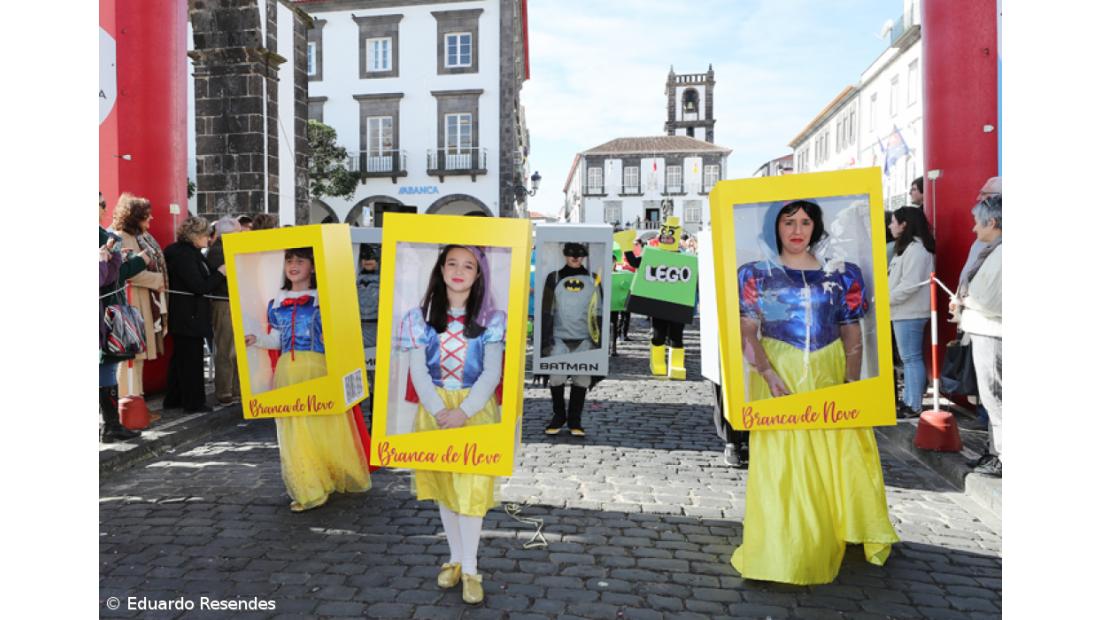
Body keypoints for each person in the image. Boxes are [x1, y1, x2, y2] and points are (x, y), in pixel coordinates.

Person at [732, 199, 898, 584]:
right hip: (778, 372)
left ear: (815, 227)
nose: (797, 229)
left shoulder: (842, 276)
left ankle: (836, 526)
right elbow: (745, 331)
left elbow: (851, 331)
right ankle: (785, 547)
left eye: (806, 221)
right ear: (774, 226)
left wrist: (851, 383)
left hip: (829, 369)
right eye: (788, 221)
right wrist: (768, 373)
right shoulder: (756, 274)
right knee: (785, 461)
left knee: (835, 455)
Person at [398, 245, 507, 605]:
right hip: (435, 412)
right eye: (452, 263)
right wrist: (438, 409)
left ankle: (472, 567)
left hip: (475, 412)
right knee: (446, 487)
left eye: (469, 265)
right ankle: (456, 558)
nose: (459, 271)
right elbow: (417, 370)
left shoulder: (492, 320)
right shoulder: (419, 319)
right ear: (441, 269)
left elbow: (492, 372)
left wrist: (465, 411)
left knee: (471, 492)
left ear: (479, 275)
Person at [244, 247, 373, 510]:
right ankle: (309, 488)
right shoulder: (276, 303)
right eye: (289, 261)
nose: (293, 265)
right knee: (295, 428)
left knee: (323, 425)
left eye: (300, 261)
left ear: (312, 267)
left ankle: (329, 474)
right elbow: (278, 339)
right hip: (288, 370)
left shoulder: (323, 299)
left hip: (317, 367)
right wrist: (256, 340)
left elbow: (340, 335)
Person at [951, 195, 1002, 477]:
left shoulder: (1001, 251)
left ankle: (1002, 456)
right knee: (992, 398)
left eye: (976, 223)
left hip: (993, 333)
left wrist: (966, 301)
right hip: (985, 331)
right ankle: (996, 453)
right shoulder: (992, 249)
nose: (973, 229)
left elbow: (991, 299)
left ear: (992, 222)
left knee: (995, 398)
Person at [109, 194, 169, 410]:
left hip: (141, 301)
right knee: (129, 358)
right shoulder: (120, 237)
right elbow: (126, 272)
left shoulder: (134, 236)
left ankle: (137, 402)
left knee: (138, 357)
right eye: (145, 216)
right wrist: (157, 280)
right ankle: (127, 405)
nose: (150, 219)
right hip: (130, 302)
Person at [100, 193, 149, 442]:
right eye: (101, 204)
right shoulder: (104, 236)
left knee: (107, 366)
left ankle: (111, 424)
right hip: (105, 308)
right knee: (107, 365)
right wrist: (133, 261)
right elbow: (109, 277)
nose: (103, 209)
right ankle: (110, 425)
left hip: (106, 307)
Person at [163, 216, 225, 413]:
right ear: (196, 235)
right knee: (191, 361)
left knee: (181, 360)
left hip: (187, 313)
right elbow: (199, 286)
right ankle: (193, 402)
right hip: (189, 314)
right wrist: (220, 274)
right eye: (207, 236)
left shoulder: (187, 252)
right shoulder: (185, 255)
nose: (209, 240)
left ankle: (174, 398)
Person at [541, 242, 601, 437]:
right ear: (564, 254)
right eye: (571, 254)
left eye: (579, 254)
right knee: (556, 378)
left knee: (581, 379)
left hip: (585, 338)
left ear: (584, 256)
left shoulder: (593, 279)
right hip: (559, 337)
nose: (575, 257)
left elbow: (599, 311)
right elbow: (546, 310)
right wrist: (545, 341)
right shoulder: (554, 278)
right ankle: (559, 416)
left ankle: (575, 420)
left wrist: (598, 343)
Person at [887, 206, 936, 418]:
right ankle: (910, 401)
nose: (890, 225)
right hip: (904, 311)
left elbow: (910, 284)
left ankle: (913, 404)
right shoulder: (908, 248)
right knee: (909, 358)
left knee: (911, 358)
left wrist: (885, 299)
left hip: (909, 312)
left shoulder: (916, 250)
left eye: (894, 221)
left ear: (904, 224)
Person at [205, 216, 242, 405]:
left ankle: (235, 389)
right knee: (226, 348)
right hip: (224, 302)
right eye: (238, 232)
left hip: (230, 300)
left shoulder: (223, 248)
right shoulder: (218, 251)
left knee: (235, 348)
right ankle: (225, 390)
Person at [648, 217, 689, 380]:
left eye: (670, 234)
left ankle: (677, 365)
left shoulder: (686, 257)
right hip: (658, 303)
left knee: (676, 336)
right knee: (658, 335)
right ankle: (657, 363)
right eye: (663, 234)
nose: (666, 237)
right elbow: (637, 264)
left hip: (679, 303)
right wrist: (627, 248)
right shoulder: (653, 254)